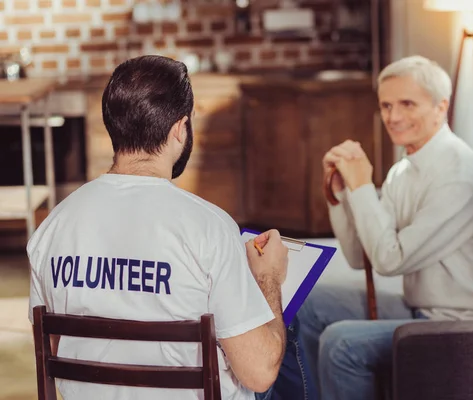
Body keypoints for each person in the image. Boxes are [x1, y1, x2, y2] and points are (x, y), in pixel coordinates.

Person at [27, 55, 316, 400]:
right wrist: (268, 279)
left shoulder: (53, 226)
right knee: (283, 328)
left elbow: (58, 351)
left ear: (112, 125)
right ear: (180, 128)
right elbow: (259, 374)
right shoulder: (210, 227)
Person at [297, 55, 473, 399]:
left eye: (407, 104)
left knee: (341, 343)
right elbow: (363, 256)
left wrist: (362, 186)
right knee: (302, 302)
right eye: (386, 105)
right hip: (424, 309)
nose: (394, 116)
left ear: (440, 107)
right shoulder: (404, 170)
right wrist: (342, 196)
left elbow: (390, 260)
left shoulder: (462, 176)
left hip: (471, 325)